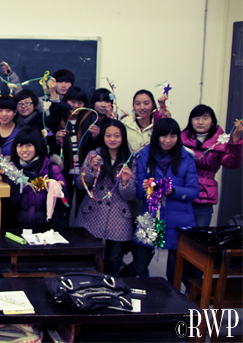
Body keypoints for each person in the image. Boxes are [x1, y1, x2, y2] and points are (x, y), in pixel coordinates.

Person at [121, 118, 199, 286]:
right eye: (163, 136)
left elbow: (193, 192)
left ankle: (176, 300)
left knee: (175, 272)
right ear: (156, 136)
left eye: (173, 136)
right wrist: (144, 188)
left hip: (180, 220)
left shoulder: (187, 158)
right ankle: (116, 284)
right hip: (150, 217)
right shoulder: (143, 156)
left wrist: (172, 191)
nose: (168, 140)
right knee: (139, 265)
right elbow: (139, 194)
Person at [74, 120, 137, 276]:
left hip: (118, 215)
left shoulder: (130, 159)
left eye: (117, 135)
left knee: (114, 258)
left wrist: (125, 182)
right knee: (88, 256)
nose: (112, 139)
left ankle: (110, 286)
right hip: (93, 212)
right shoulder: (93, 155)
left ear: (123, 137)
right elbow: (80, 185)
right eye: (108, 135)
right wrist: (92, 170)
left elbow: (130, 195)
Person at [181, 105, 243, 227]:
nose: (200, 122)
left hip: (204, 196)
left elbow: (232, 163)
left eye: (205, 118)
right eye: (196, 118)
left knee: (200, 235)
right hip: (181, 192)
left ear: (212, 121)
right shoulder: (180, 138)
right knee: (177, 235)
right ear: (191, 121)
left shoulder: (221, 141)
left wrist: (236, 138)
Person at [4, 128, 68, 230]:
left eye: (29, 145)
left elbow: (65, 202)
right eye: (20, 145)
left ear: (38, 146)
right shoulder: (10, 170)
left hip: (46, 230)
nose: (24, 150)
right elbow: (10, 201)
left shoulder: (52, 169)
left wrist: (59, 190)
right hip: (17, 229)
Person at [47, 86, 97, 213]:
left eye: (80, 102)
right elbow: (48, 143)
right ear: (66, 101)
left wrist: (96, 136)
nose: (76, 106)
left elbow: (96, 147)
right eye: (72, 102)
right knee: (64, 205)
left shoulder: (90, 118)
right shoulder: (58, 118)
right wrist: (57, 141)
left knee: (83, 207)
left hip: (85, 171)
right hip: (64, 171)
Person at [121, 89, 169, 154]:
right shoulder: (124, 123)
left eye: (146, 103)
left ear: (153, 104)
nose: (142, 107)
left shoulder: (159, 123)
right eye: (138, 104)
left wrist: (166, 118)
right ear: (133, 105)